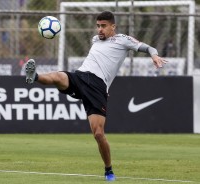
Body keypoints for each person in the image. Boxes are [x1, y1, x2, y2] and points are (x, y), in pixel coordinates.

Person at [25, 11, 167, 181]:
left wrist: (154, 54)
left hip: (98, 87)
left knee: (98, 134)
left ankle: (108, 170)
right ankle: (35, 77)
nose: (100, 29)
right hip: (81, 76)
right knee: (57, 77)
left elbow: (147, 47)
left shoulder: (122, 39)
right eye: (98, 26)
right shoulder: (95, 39)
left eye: (104, 26)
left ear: (113, 26)